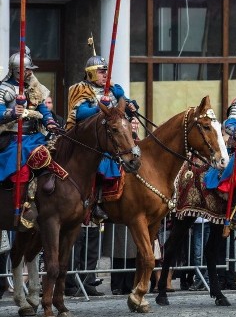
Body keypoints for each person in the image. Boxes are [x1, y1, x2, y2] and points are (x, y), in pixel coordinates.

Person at [66, 47, 138, 221]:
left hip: (111, 136)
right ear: (90, 73)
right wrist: (99, 107)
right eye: (101, 72)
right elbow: (79, 114)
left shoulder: (112, 90)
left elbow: (123, 107)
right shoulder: (79, 88)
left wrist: (130, 105)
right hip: (87, 139)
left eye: (106, 71)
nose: (105, 74)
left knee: (132, 151)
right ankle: (95, 201)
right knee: (100, 162)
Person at [0, 51, 60, 227]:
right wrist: (11, 113)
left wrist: (49, 121)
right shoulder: (4, 89)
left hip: (35, 136)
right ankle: (21, 207)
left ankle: (49, 202)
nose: (30, 73)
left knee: (55, 156)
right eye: (27, 70)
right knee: (22, 166)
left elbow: (43, 108)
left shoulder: (33, 87)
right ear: (18, 71)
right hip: (12, 137)